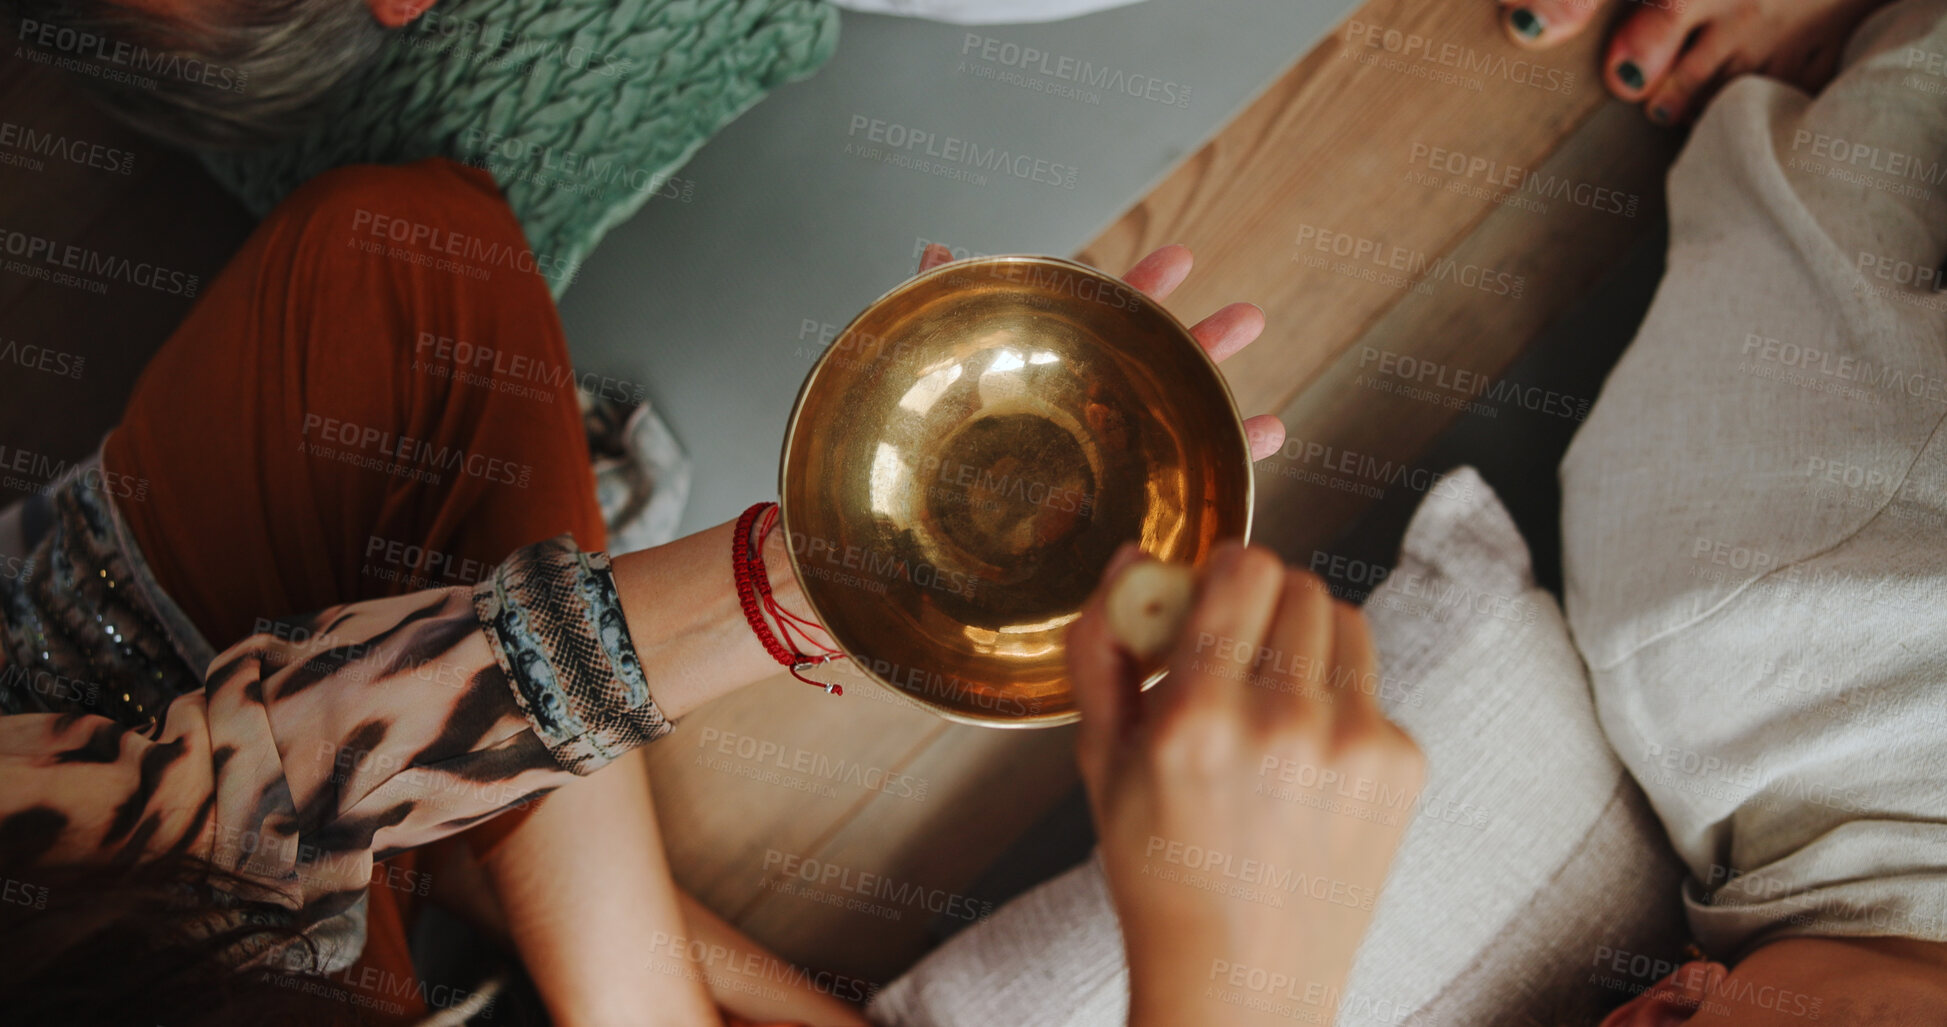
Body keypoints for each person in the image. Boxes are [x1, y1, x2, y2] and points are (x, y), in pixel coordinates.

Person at [0, 147, 1289, 1024]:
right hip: (317, 883)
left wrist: (782, 593)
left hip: (122, 795)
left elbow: (246, 820)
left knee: (399, 265)